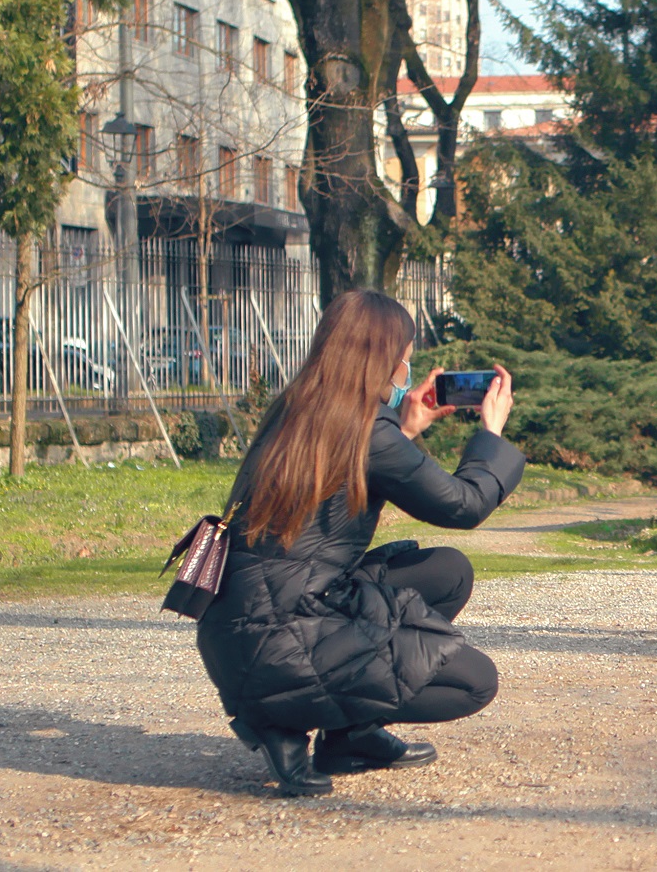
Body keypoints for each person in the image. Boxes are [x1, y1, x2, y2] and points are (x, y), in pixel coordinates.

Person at [195, 289, 525, 796]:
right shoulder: (369, 432)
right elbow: (461, 506)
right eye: (405, 363)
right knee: (472, 681)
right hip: (279, 646)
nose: (406, 376)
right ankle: (282, 716)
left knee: (447, 573)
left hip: (240, 634)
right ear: (384, 363)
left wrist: (408, 425)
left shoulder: (298, 408)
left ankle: (349, 737)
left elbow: (351, 467)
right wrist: (491, 434)